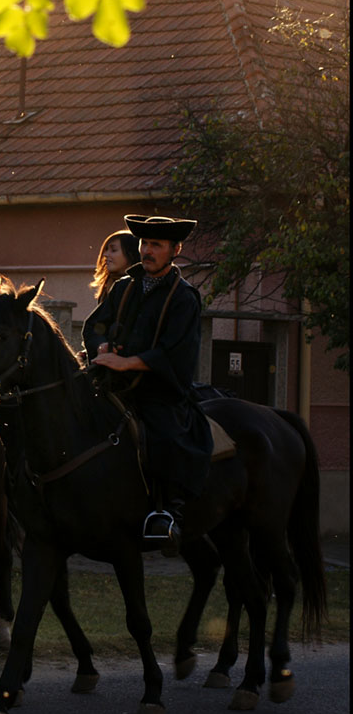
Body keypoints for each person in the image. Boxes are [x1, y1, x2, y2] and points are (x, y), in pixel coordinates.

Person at [81, 214, 213, 556]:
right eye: (144, 244)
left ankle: (167, 512)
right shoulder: (124, 286)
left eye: (156, 245)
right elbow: (96, 325)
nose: (148, 251)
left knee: (166, 436)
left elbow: (175, 353)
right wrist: (102, 347)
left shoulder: (184, 297)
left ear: (175, 250)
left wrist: (127, 362)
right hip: (112, 382)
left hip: (158, 391)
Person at [90, 229, 141, 303]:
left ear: (131, 254)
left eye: (113, 250)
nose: (105, 254)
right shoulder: (107, 287)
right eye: (106, 250)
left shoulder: (139, 287)